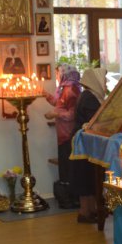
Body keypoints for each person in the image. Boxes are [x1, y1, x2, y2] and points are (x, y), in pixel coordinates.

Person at [70, 68, 107, 223]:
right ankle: (85, 212)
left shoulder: (88, 95)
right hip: (84, 143)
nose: (105, 83)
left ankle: (91, 210)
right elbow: (94, 120)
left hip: (85, 142)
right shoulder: (89, 98)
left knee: (89, 177)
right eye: (103, 79)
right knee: (85, 178)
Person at [44, 64, 81, 208]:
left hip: (68, 135)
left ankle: (71, 198)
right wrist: (45, 94)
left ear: (65, 74)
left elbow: (71, 114)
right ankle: (67, 197)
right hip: (63, 134)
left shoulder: (71, 90)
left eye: (58, 74)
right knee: (64, 167)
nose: (57, 77)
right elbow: (57, 102)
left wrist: (55, 114)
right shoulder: (64, 88)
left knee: (68, 167)